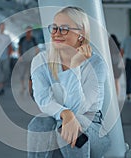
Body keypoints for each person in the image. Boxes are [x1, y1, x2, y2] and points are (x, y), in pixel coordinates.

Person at [28, 6, 110, 158]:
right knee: (39, 123)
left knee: (70, 127)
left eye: (64, 29)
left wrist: (74, 66)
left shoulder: (96, 64)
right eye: (54, 28)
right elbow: (44, 101)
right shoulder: (41, 60)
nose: (56, 34)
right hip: (59, 122)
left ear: (81, 33)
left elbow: (79, 109)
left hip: (92, 131)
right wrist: (65, 114)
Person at [18, 26, 39, 94]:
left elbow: (36, 48)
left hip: (31, 59)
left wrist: (36, 56)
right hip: (23, 59)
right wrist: (19, 56)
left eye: (30, 31)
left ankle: (29, 88)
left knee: (30, 74)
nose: (28, 32)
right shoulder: (22, 39)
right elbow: (19, 48)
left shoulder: (33, 39)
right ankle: (22, 87)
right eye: (27, 31)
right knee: (22, 74)